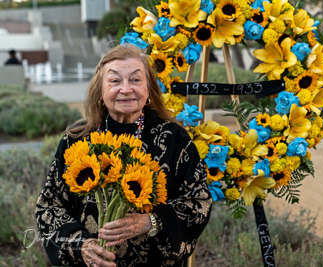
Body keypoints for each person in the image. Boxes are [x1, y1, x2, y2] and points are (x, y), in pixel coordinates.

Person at [35, 43, 212, 267]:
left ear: (149, 90)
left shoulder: (174, 139)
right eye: (115, 80)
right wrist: (82, 246)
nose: (126, 89)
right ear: (100, 90)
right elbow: (49, 206)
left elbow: (199, 202)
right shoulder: (77, 139)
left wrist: (151, 221)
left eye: (136, 80)